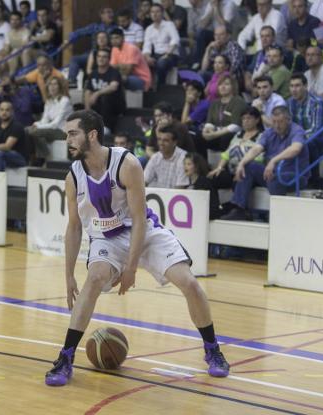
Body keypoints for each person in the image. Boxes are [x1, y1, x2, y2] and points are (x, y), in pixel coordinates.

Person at [44, 109, 229, 387]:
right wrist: (68, 274)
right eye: (66, 134)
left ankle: (212, 349)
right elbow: (74, 227)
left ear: (92, 135)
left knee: (189, 283)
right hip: (107, 237)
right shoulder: (73, 176)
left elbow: (140, 218)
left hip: (144, 231)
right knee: (93, 279)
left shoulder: (126, 163)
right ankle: (66, 356)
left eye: (72, 134)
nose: (67, 140)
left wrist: (131, 268)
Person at [221, 106, 310, 220]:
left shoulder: (297, 130)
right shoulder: (270, 132)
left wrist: (274, 160)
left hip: (295, 175)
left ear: (288, 120)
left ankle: (279, 215)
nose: (277, 125)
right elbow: (256, 149)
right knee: (248, 166)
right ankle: (240, 209)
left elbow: (296, 149)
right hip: (273, 173)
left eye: (280, 122)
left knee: (274, 177)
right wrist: (241, 163)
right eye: (274, 122)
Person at [208, 106, 265, 190]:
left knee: (238, 182)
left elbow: (258, 159)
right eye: (243, 119)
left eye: (249, 118)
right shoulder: (238, 135)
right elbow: (226, 154)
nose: (245, 121)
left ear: (257, 120)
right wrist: (219, 168)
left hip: (248, 173)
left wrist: (241, 168)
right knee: (214, 178)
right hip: (232, 171)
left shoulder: (262, 136)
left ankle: (235, 203)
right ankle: (214, 203)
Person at [26, 76, 72, 164]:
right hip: (52, 130)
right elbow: (44, 120)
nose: (52, 87)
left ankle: (44, 157)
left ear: (60, 87)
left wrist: (38, 126)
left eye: (55, 84)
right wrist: (36, 123)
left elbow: (55, 124)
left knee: (34, 132)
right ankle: (32, 157)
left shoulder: (65, 101)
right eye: (50, 84)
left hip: (63, 131)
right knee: (26, 130)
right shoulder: (48, 101)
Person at [84, 48, 126, 131]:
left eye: (104, 57)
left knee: (105, 97)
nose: (101, 59)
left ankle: (106, 127)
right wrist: (87, 110)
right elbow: (87, 92)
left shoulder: (114, 72)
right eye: (99, 56)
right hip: (98, 105)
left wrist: (97, 93)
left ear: (109, 59)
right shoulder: (93, 73)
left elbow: (114, 86)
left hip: (115, 106)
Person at [184, 152, 221, 219]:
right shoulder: (188, 183)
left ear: (196, 166)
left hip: (207, 216)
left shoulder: (203, 182)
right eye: (184, 164)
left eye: (189, 164)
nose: (185, 167)